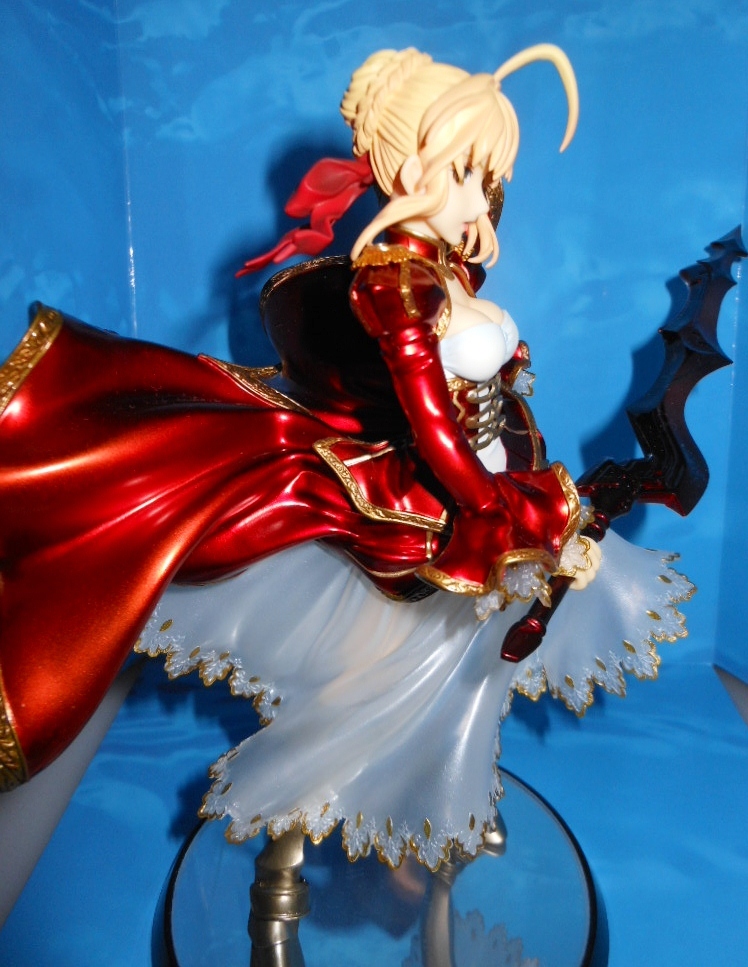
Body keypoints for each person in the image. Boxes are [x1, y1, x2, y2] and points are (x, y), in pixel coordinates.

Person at [0, 46, 691, 872]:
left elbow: (478, 387)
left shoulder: (446, 260)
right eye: (467, 174)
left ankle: (442, 799)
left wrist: (510, 453)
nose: (483, 199)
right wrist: (495, 508)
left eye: (489, 178)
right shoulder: (394, 285)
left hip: (490, 478)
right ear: (412, 169)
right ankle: (328, 843)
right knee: (390, 682)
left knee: (473, 663)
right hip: (436, 503)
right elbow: (431, 424)